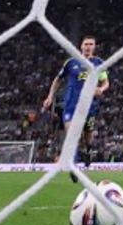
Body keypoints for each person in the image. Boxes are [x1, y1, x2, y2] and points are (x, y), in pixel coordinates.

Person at [42, 35, 109, 181]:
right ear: (81, 46)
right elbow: (58, 79)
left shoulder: (98, 63)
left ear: (94, 47)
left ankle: (88, 150)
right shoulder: (71, 62)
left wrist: (101, 89)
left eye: (91, 44)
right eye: (86, 44)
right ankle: (74, 165)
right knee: (72, 135)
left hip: (89, 106)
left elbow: (105, 82)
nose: (88, 47)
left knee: (88, 135)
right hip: (71, 105)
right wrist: (50, 96)